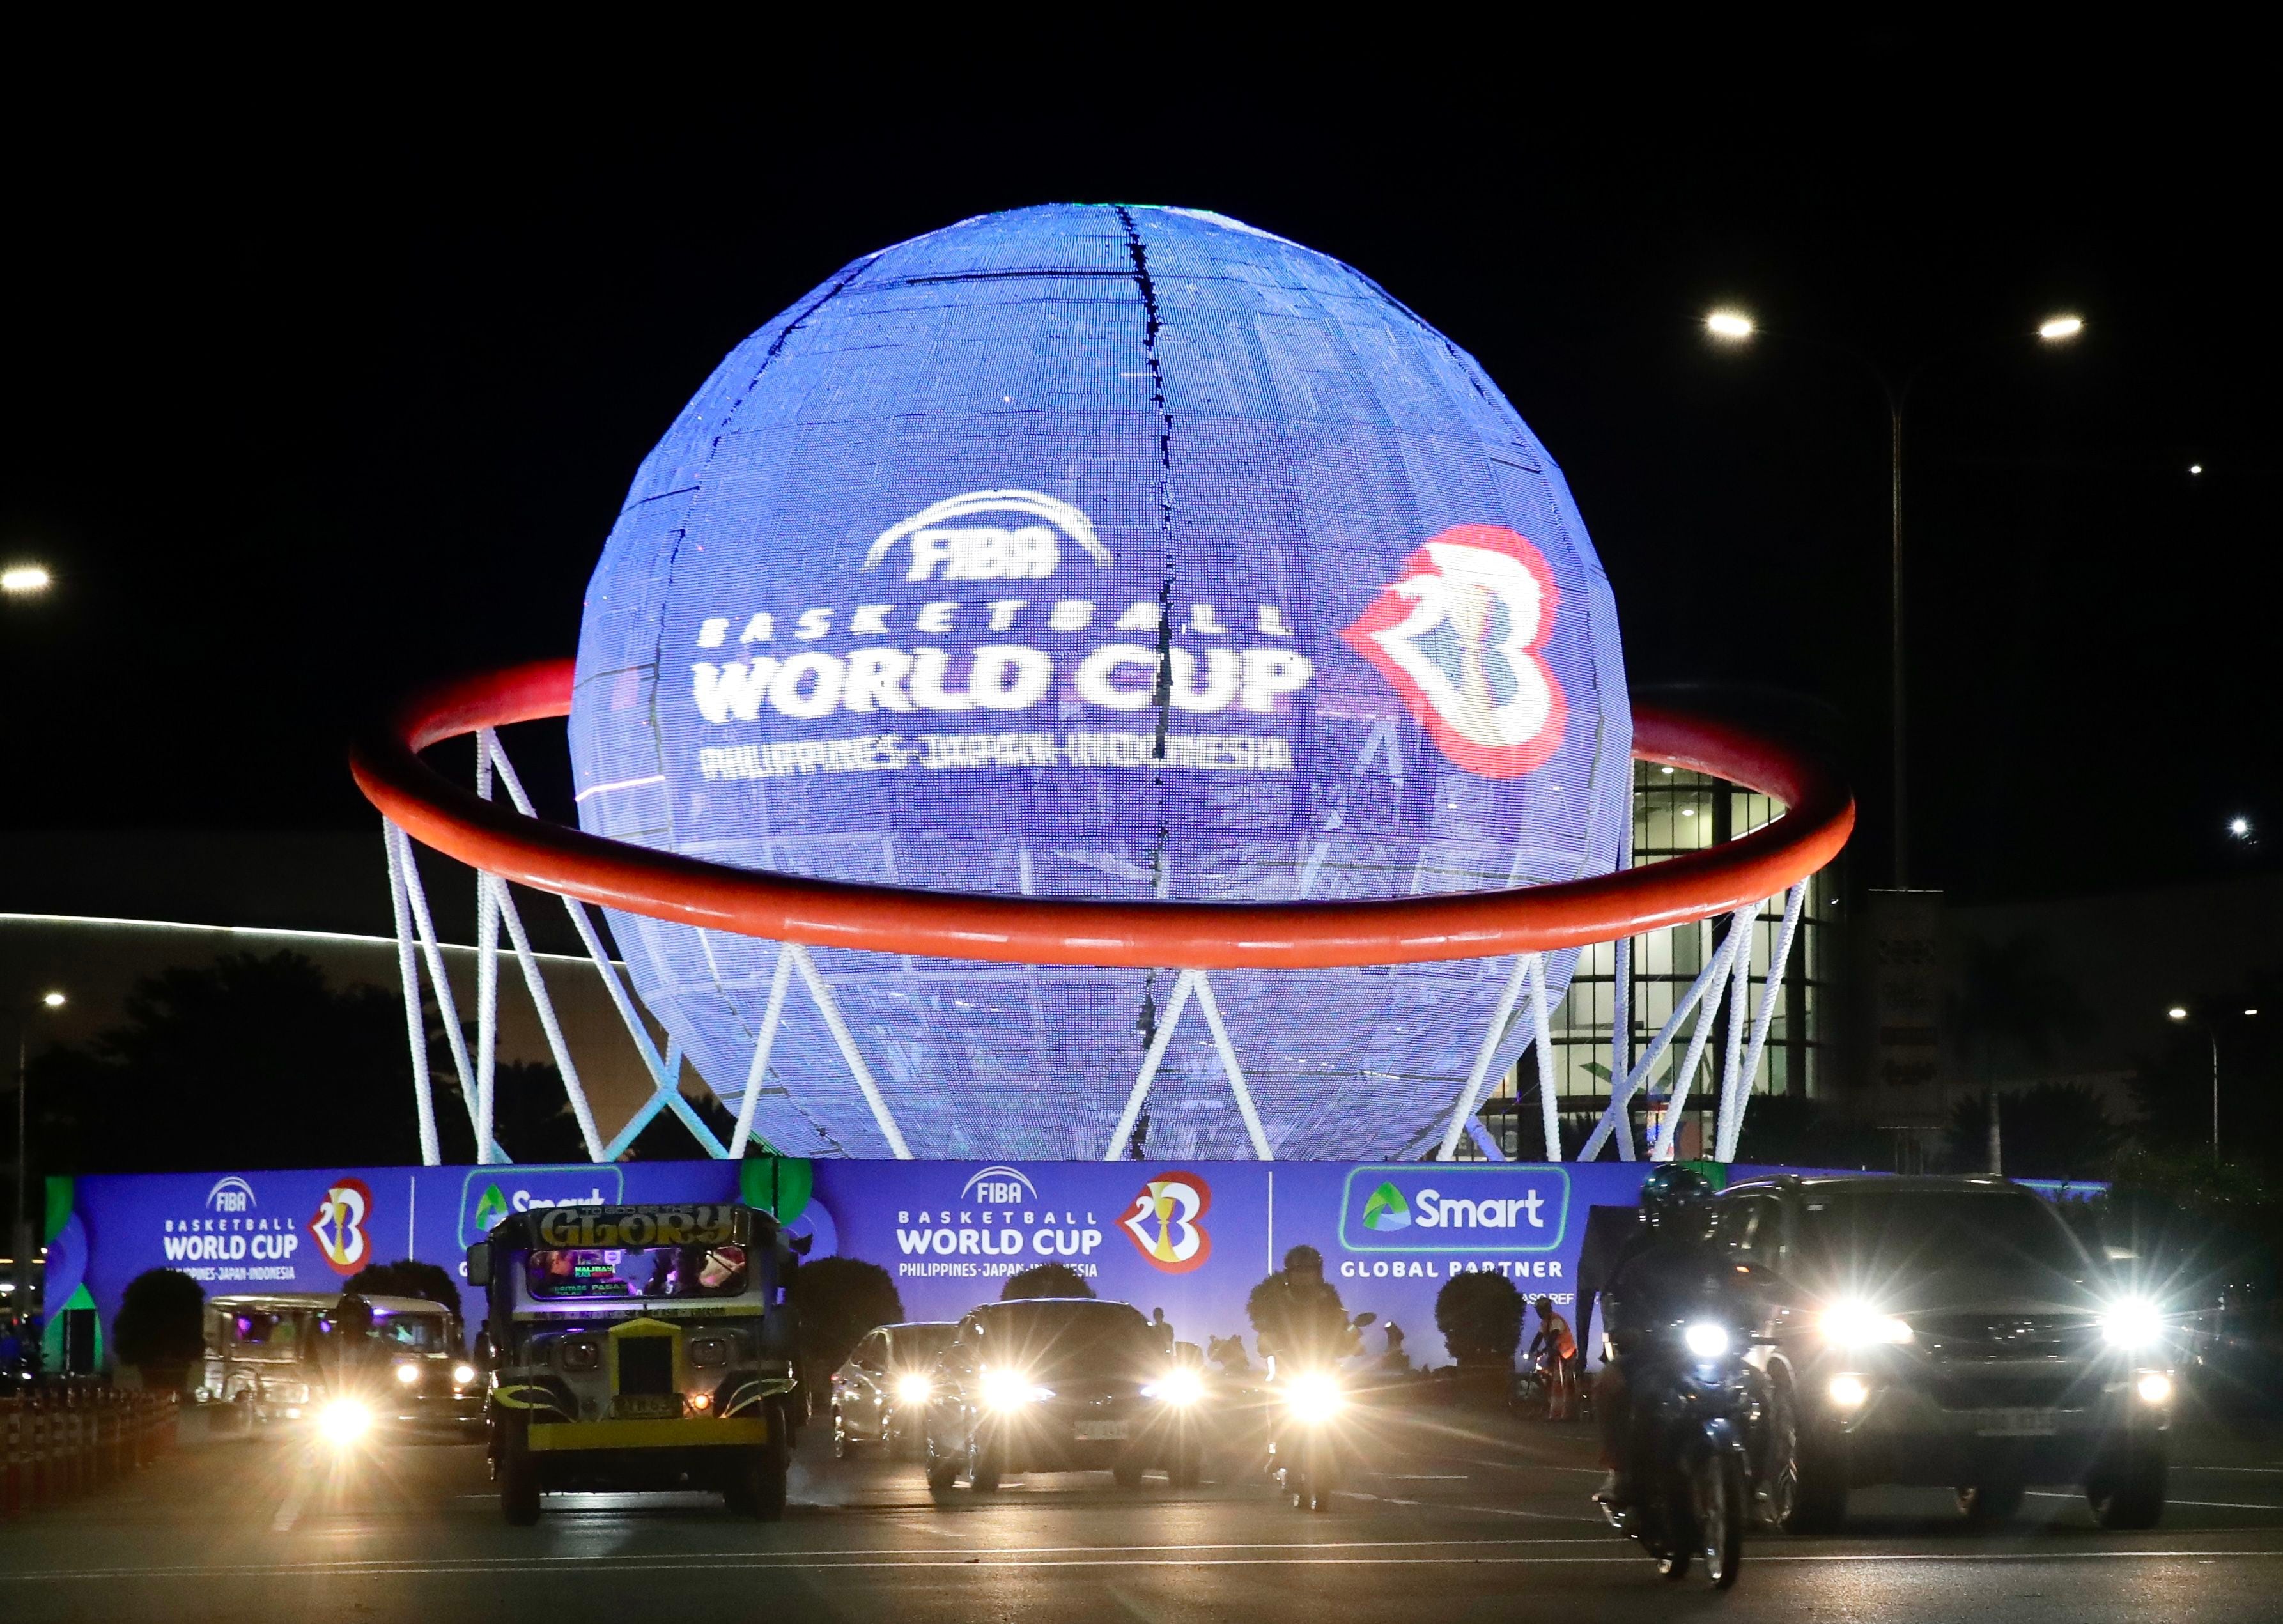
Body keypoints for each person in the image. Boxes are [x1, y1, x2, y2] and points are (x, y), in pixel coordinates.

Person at [1592, 1165, 1735, 1509]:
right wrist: (1625, 1329)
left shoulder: (1718, 1258)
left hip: (1712, 1354)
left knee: (1760, 1389)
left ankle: (1761, 1480)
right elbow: (1616, 1297)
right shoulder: (1636, 1256)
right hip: (1654, 1351)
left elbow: (1742, 1296)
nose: (1688, 1219)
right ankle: (1620, 1471)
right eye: (1679, 1210)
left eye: (1695, 1210)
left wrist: (1755, 1319)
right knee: (1609, 1383)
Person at [1247, 1246, 1359, 1378]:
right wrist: (1267, 1340)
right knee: (1269, 1395)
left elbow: (1343, 1331)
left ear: (1318, 1273)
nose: (1303, 1275)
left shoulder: (1329, 1302)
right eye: (1298, 1270)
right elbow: (1265, 1336)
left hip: (1325, 1373)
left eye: (1308, 1270)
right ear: (1289, 1273)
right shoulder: (1277, 1303)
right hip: (1288, 1375)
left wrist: (1351, 1335)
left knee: (1353, 1391)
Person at [1526, 1297, 1579, 1421]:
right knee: (1555, 1383)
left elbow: (1553, 1338)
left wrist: (1544, 1351)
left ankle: (1569, 1414)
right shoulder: (1545, 1322)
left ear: (1545, 1309)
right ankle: (1556, 1413)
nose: (1538, 1313)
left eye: (1540, 1310)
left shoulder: (1556, 1320)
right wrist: (1532, 1350)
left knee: (1566, 1383)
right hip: (1557, 1354)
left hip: (1568, 1354)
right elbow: (1538, 1337)